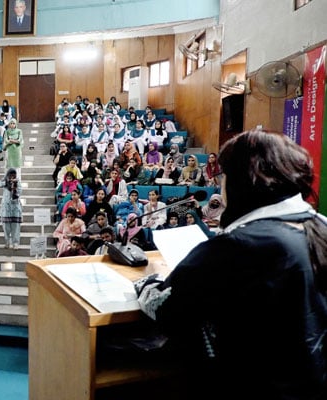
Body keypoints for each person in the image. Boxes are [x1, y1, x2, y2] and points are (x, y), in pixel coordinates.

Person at [135, 130, 327, 399]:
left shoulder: (240, 245)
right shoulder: (321, 225)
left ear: (241, 182)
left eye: (224, 176)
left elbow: (166, 307)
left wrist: (148, 281)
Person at [0, 168, 22, 249]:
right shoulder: (4, 181)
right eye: (10, 175)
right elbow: (0, 184)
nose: (12, 177)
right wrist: (8, 182)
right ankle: (7, 242)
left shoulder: (18, 182)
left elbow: (19, 193)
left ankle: (15, 242)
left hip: (15, 207)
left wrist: (14, 187)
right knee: (6, 226)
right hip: (6, 207)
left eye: (13, 175)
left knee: (15, 227)